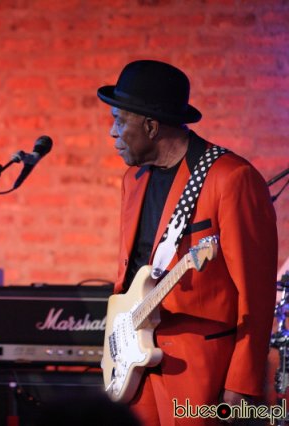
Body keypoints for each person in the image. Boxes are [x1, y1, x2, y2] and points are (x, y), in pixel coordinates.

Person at [97, 60, 278, 425]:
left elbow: (257, 294)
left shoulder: (231, 178)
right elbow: (133, 271)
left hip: (199, 363)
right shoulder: (133, 180)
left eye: (120, 120)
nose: (113, 132)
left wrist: (243, 380)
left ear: (150, 126)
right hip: (133, 353)